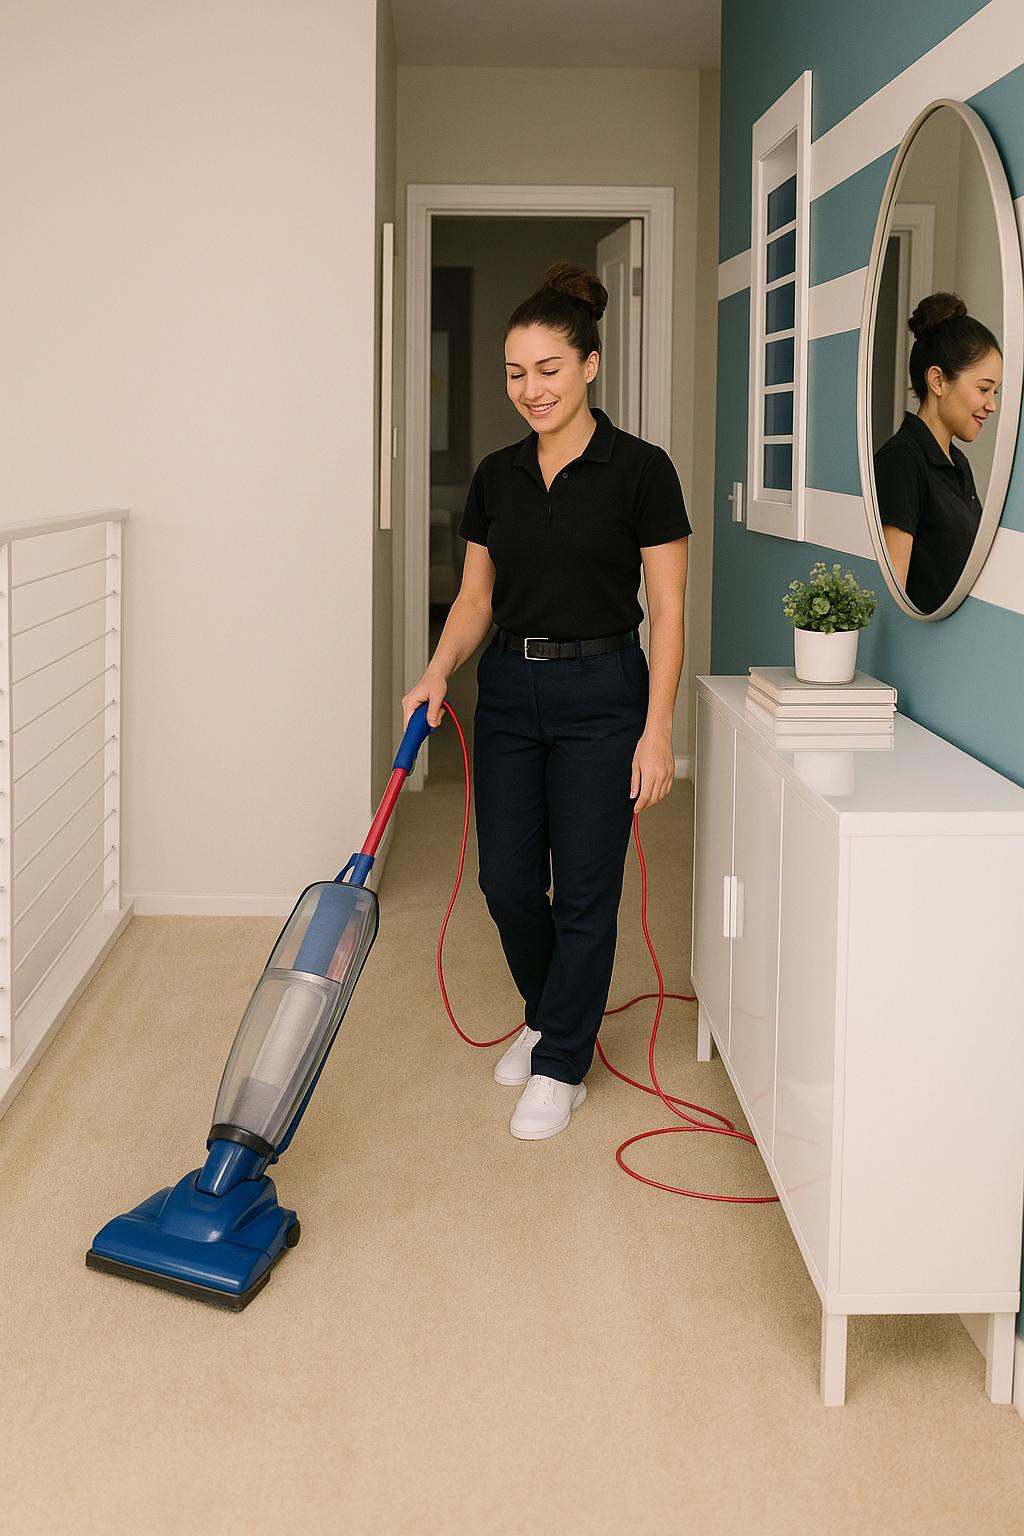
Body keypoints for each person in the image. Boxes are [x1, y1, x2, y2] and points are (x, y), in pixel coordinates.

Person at [401, 261, 691, 1142]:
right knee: (507, 882)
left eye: (549, 369)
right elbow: (475, 597)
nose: (532, 389)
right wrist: (438, 668)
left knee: (587, 892)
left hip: (604, 694)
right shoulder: (497, 476)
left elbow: (669, 609)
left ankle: (561, 1059)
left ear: (590, 365)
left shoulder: (641, 471)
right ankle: (551, 1013)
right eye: (516, 373)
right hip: (509, 694)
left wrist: (658, 731)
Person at [873, 291, 1002, 613]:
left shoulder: (959, 463)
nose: (992, 405)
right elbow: (891, 599)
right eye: (983, 389)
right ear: (938, 381)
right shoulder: (901, 462)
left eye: (995, 392)